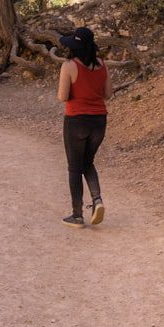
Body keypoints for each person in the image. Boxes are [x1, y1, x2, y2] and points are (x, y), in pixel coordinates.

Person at [57, 26, 108, 228]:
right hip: (99, 121)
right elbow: (108, 93)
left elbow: (62, 96)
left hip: (76, 121)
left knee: (74, 167)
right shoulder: (102, 65)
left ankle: (77, 215)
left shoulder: (69, 66)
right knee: (88, 162)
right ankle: (97, 201)